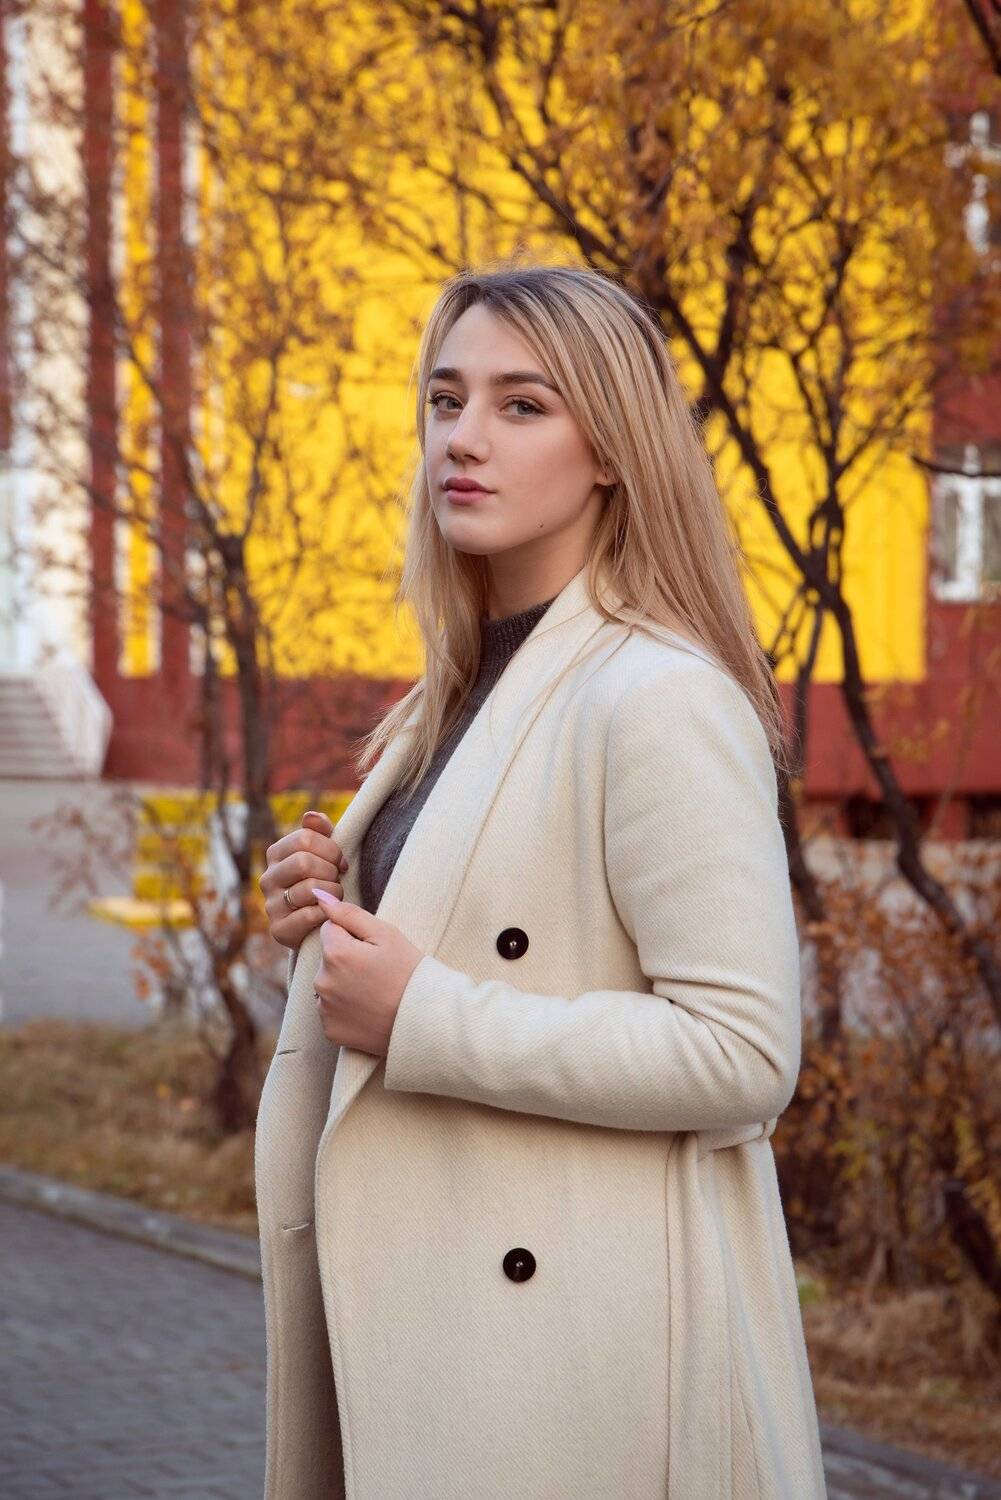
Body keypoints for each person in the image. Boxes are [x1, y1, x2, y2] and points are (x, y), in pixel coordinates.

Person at [255, 263, 828, 1500]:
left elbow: (742, 1054)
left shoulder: (655, 694)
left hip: (570, 1357)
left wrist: (423, 1015)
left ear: (609, 448)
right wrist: (329, 907)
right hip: (433, 1317)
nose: (462, 438)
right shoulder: (457, 691)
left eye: (521, 405)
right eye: (445, 399)